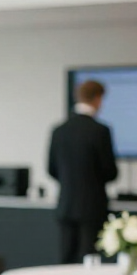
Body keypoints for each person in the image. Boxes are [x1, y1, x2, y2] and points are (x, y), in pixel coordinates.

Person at [47, 79, 118, 263]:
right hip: (93, 208)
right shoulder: (100, 131)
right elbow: (110, 172)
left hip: (66, 206)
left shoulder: (59, 131)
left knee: (65, 261)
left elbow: (51, 169)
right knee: (90, 262)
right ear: (98, 99)